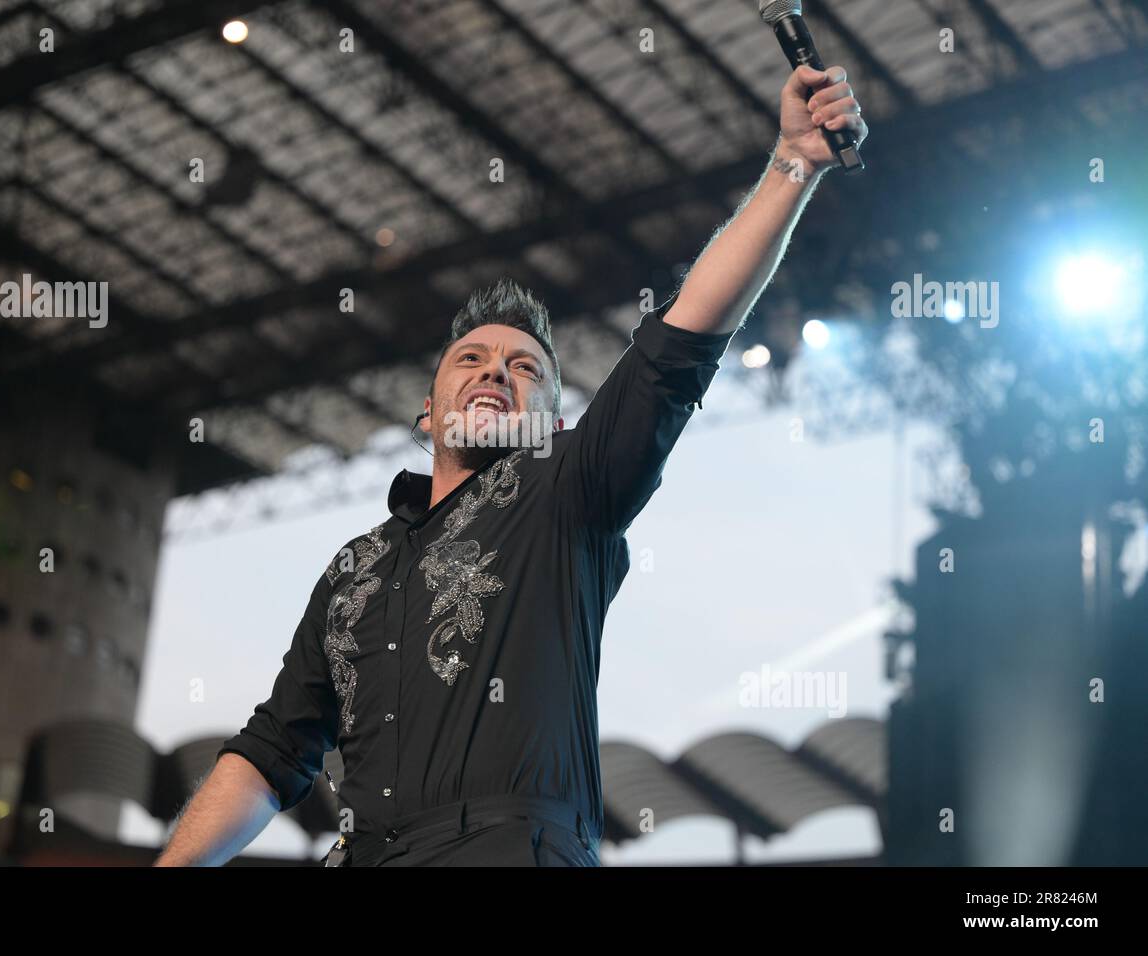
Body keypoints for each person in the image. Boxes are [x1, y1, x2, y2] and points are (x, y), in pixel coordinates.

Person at [154, 64, 867, 866]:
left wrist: (792, 164)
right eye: (472, 359)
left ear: (554, 424)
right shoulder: (351, 571)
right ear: (428, 412)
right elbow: (273, 751)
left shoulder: (565, 487)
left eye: (525, 369)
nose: (496, 371)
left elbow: (680, 342)